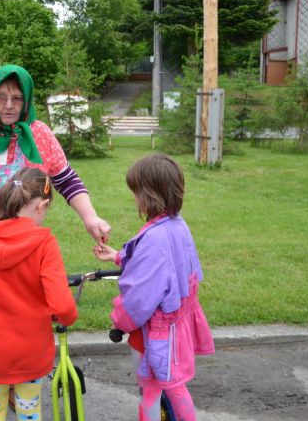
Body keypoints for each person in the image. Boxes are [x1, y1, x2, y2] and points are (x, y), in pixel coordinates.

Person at [0, 64, 110, 419]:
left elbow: (67, 179)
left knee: (13, 314)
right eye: (2, 97)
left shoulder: (39, 135)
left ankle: (12, 383)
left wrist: (91, 217)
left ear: (26, 101)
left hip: (20, 248)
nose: (8, 105)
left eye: (16, 98)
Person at [93, 154, 214, 421]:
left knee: (153, 389)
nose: (134, 198)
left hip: (153, 333)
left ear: (148, 194)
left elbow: (139, 299)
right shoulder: (176, 225)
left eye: (136, 192)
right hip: (174, 327)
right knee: (173, 386)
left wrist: (119, 321)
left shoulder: (154, 239)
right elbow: (164, 266)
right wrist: (117, 256)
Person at [0, 167, 77, 421]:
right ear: (41, 205)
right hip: (31, 351)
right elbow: (62, 305)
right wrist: (64, 317)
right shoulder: (44, 244)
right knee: (29, 410)